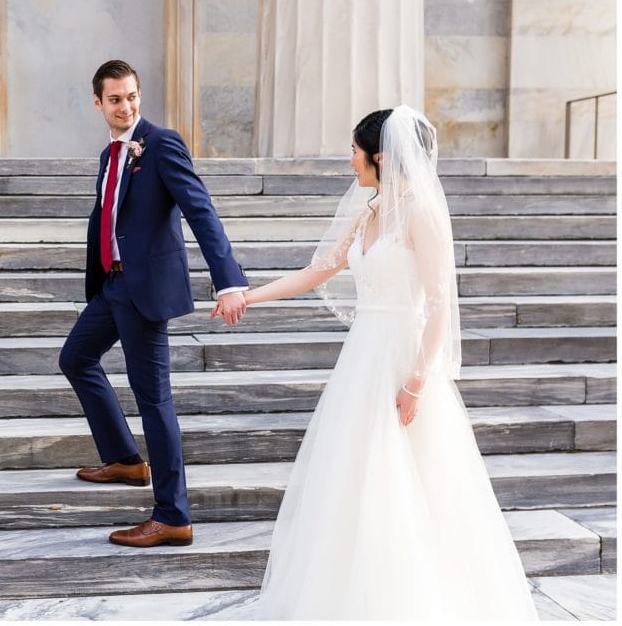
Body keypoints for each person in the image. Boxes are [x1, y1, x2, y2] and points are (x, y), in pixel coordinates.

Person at [218, 106, 538, 619]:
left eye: (354, 151)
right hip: (361, 360)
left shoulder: (421, 214)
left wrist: (415, 383)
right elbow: (316, 271)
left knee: (409, 480)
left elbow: (437, 305)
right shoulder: (369, 212)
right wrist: (248, 297)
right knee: (352, 479)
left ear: (381, 157)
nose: (350, 161)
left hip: (401, 360)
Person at [59, 59, 249, 547]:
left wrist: (227, 280)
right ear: (98, 103)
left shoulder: (161, 143)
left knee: (154, 400)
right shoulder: (110, 154)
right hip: (112, 286)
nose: (126, 107)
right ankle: (124, 460)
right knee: (75, 358)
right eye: (116, 99)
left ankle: (172, 514)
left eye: (132, 97)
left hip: (144, 293)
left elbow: (200, 210)